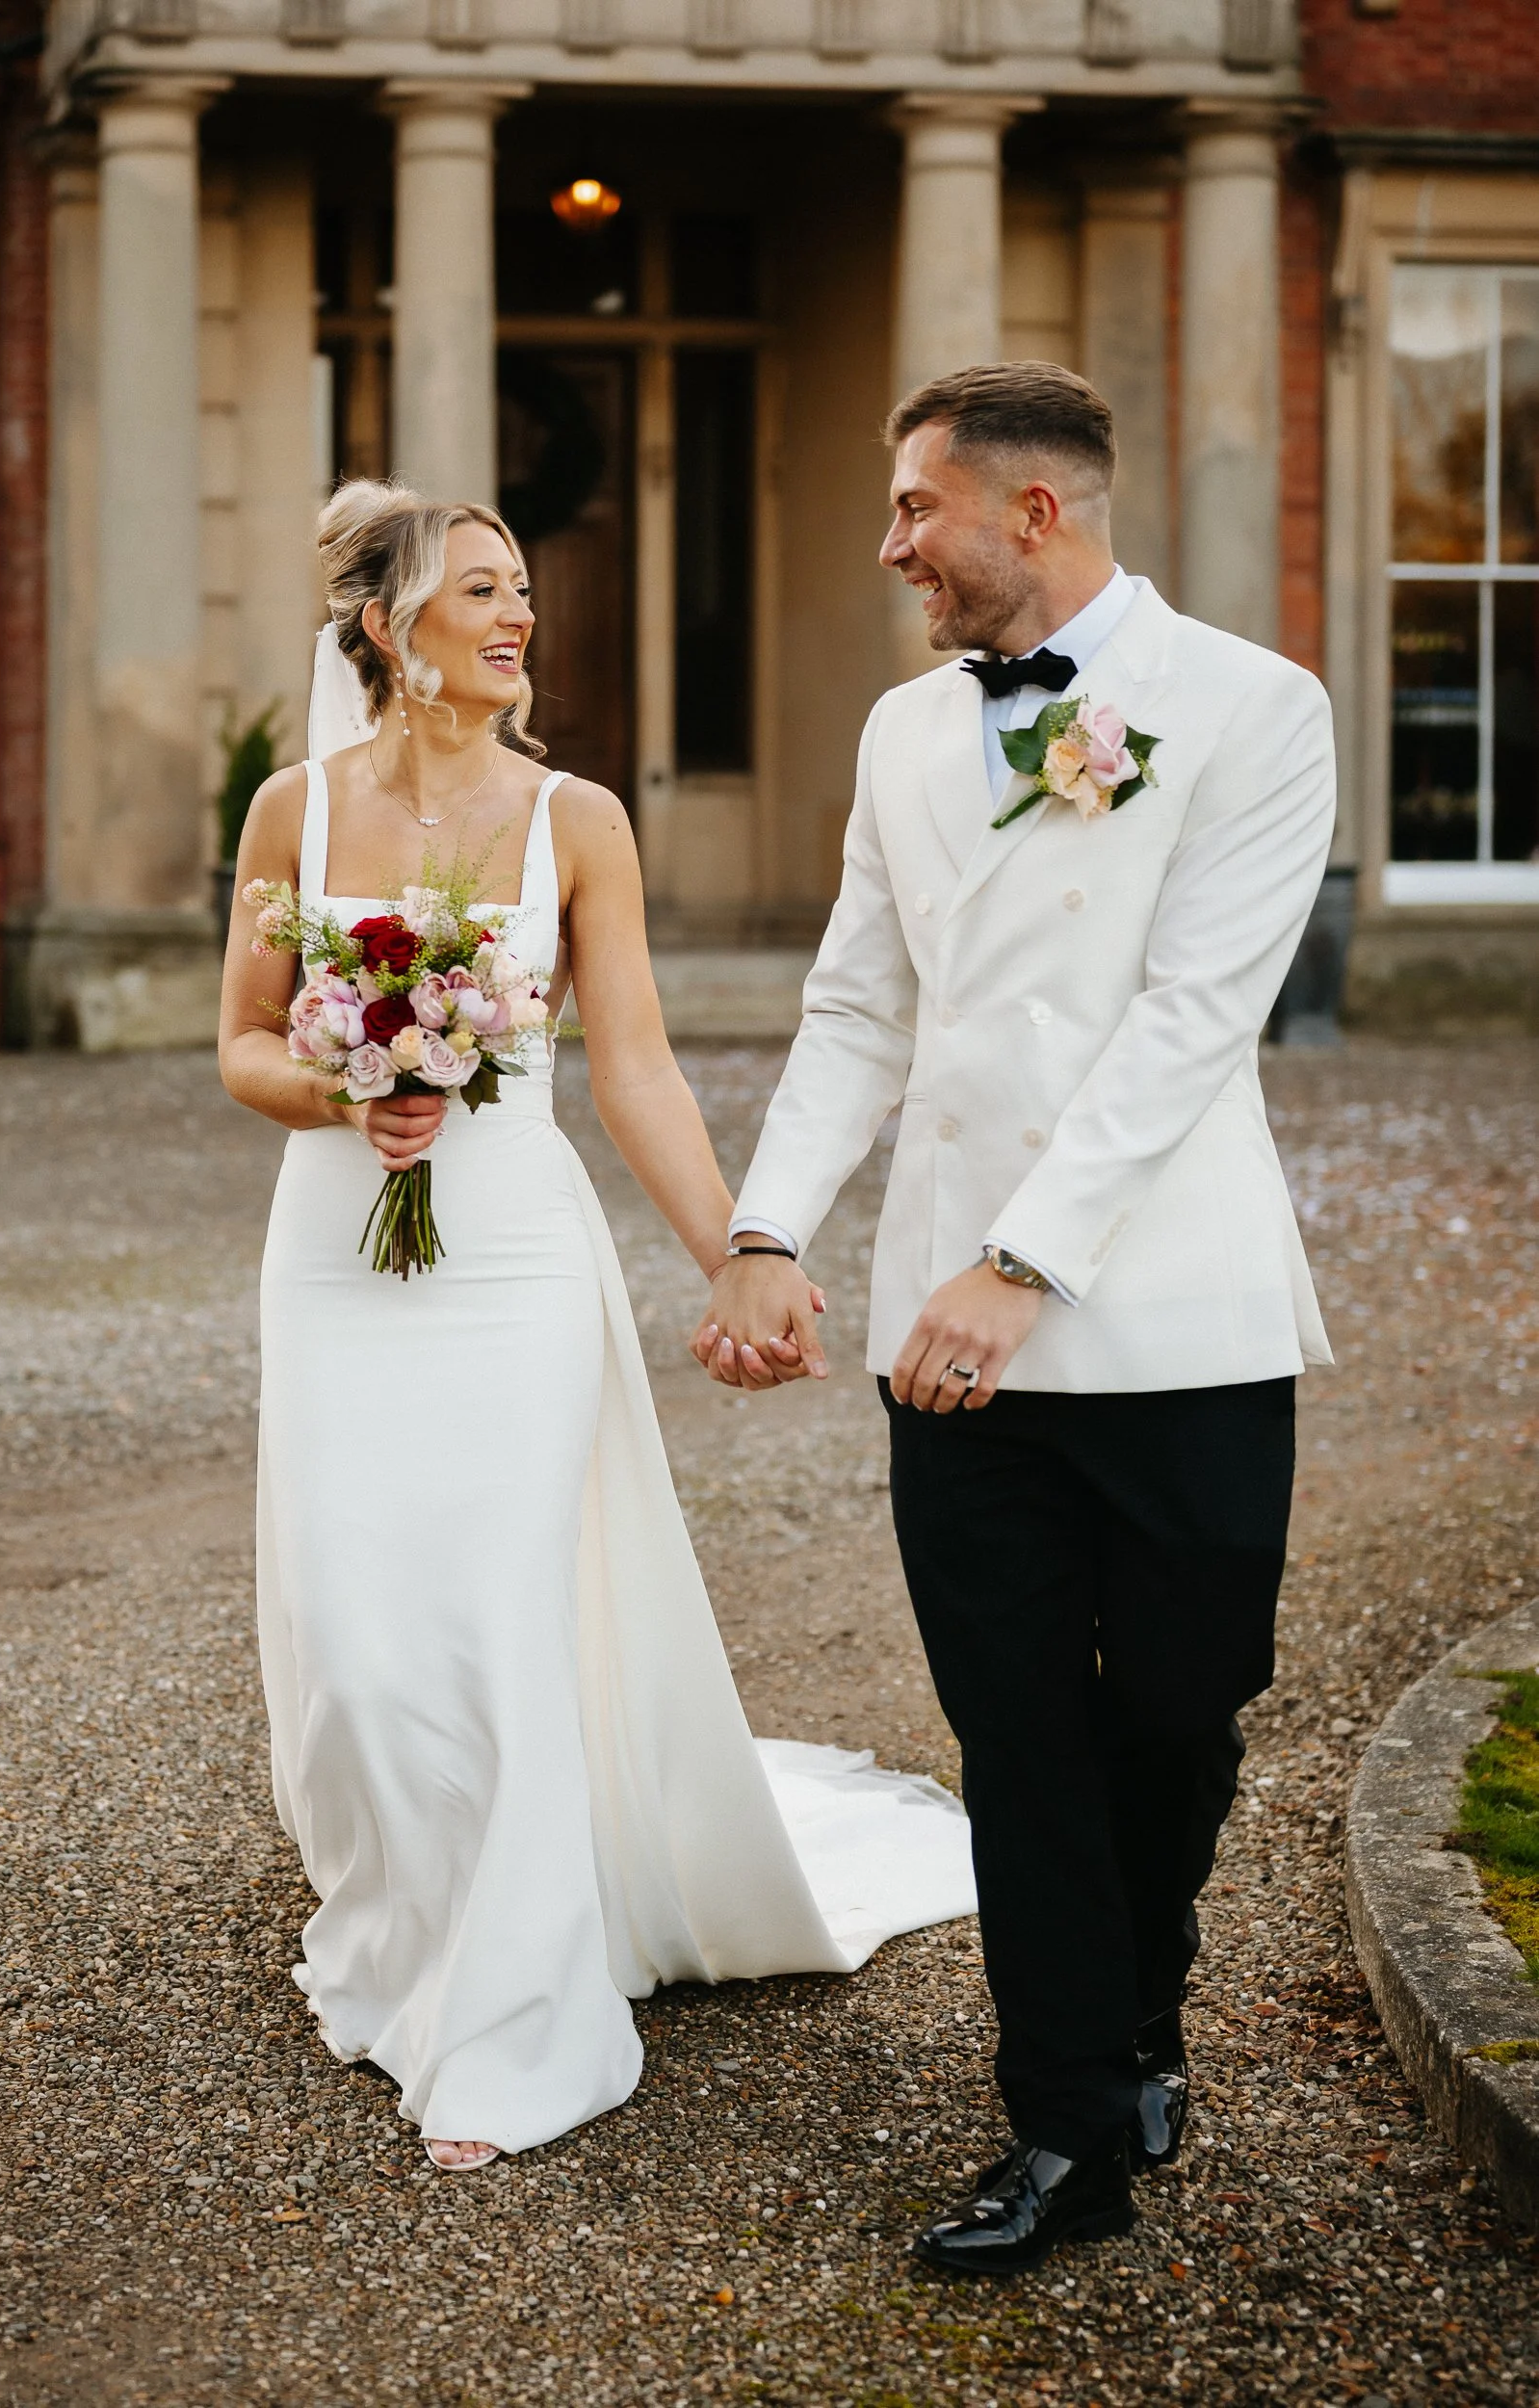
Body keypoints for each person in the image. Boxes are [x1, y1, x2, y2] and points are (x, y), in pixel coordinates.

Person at [217, 479, 975, 2172]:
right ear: (384, 628)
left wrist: (740, 1252)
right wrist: (347, 1095)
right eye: (479, 590)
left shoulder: (579, 822)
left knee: (489, 1622)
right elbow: (245, 1046)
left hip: (511, 1263)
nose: (516, 618)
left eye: (522, 594)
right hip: (338, 1260)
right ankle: (406, 1923)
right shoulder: (296, 814)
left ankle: (506, 2016)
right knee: (357, 1641)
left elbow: (627, 1066)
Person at [696, 362, 1335, 2274]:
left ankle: (1135, 1993)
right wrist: (762, 1225)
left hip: (1178, 1326)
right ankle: (1066, 2113)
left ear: (1027, 513)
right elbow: (855, 1011)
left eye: (912, 511)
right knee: (1014, 1739)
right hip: (935, 1353)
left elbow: (1188, 1019)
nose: (889, 545)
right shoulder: (902, 734)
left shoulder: (1252, 706)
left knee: (1182, 1707)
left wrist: (1019, 1258)